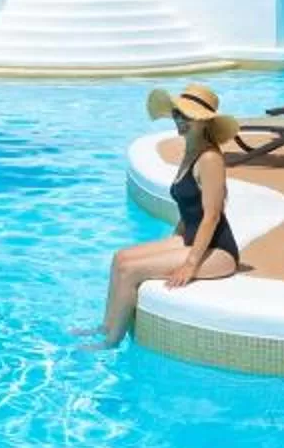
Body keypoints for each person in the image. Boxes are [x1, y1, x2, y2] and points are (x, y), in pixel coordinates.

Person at [98, 84, 243, 344]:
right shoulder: (190, 150)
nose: (180, 120)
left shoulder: (210, 159)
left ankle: (110, 344)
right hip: (192, 239)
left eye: (187, 116)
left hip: (218, 251)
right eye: (177, 113)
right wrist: (172, 240)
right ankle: (106, 327)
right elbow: (190, 207)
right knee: (120, 258)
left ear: (203, 123)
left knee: (131, 271)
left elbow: (212, 216)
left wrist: (190, 265)